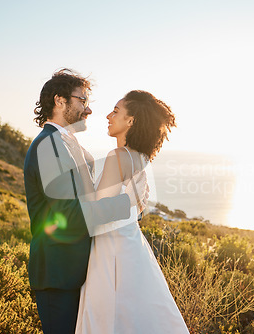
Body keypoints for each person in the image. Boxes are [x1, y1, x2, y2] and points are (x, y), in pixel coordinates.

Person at [23, 69, 148, 334]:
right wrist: (127, 205)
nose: (88, 110)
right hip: (59, 276)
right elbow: (68, 216)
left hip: (82, 273)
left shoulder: (74, 148)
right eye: (82, 100)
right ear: (59, 101)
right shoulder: (48, 146)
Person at [62, 90, 190, 333]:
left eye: (116, 111)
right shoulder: (141, 158)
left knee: (110, 319)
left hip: (111, 252)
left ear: (131, 121)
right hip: (132, 246)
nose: (109, 116)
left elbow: (99, 214)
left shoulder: (118, 157)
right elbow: (135, 208)